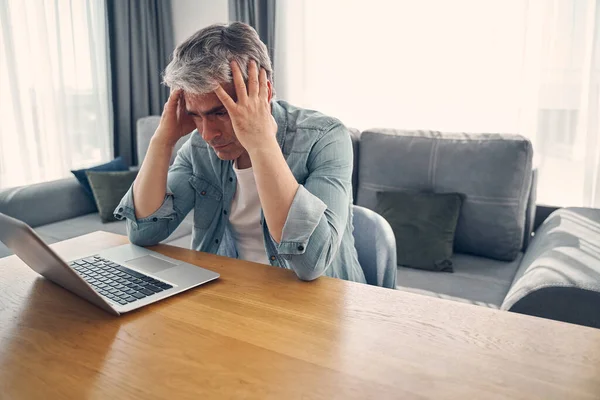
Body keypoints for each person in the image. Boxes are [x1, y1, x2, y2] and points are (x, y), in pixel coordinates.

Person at [114, 22, 365, 283]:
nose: (208, 134)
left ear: (264, 92)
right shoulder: (198, 147)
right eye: (196, 116)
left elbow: (310, 264)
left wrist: (261, 143)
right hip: (229, 296)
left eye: (220, 112)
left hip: (317, 304)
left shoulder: (325, 137)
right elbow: (143, 232)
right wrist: (162, 140)